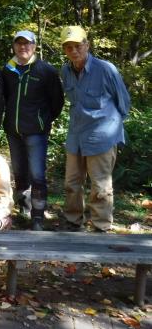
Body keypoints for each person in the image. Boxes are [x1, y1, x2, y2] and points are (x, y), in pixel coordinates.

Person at [60, 26, 131, 232]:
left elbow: (123, 102)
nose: (74, 50)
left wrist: (112, 129)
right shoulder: (66, 71)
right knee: (71, 183)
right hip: (76, 136)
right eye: (69, 47)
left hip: (102, 136)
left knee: (100, 187)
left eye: (78, 45)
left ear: (87, 45)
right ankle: (73, 222)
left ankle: (101, 227)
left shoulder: (106, 69)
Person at [2, 29, 64, 231]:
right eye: (19, 43)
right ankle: (25, 209)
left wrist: (42, 121)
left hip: (36, 131)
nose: (23, 47)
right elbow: (4, 98)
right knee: (20, 173)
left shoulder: (45, 71)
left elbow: (57, 102)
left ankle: (38, 217)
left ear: (34, 46)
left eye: (27, 43)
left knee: (37, 174)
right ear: (14, 46)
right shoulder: (7, 70)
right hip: (13, 130)